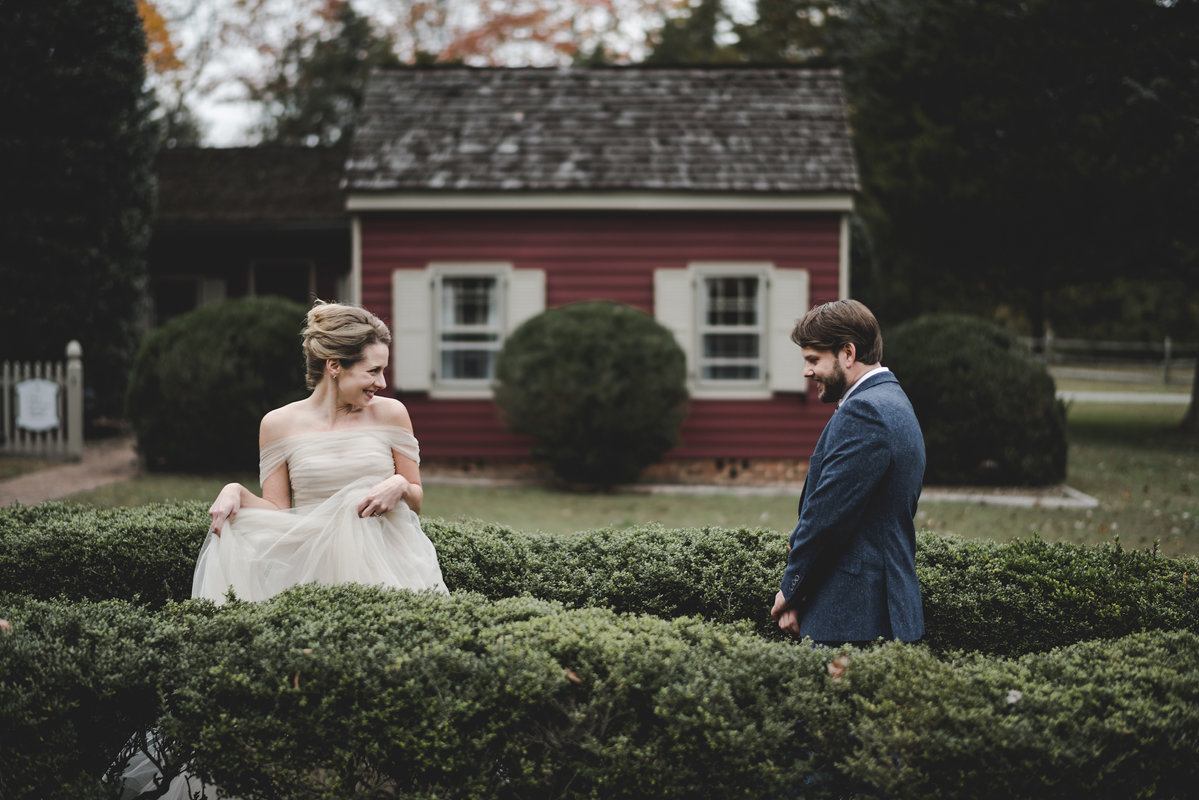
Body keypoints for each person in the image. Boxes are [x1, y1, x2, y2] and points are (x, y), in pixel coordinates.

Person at [117, 301, 445, 800]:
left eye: (383, 370)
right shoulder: (279, 425)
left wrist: (399, 484)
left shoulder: (392, 414)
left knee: (383, 681)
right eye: (372, 370)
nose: (381, 381)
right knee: (314, 689)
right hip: (312, 568)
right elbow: (278, 512)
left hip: (387, 565)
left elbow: (418, 499)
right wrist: (235, 492)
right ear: (336, 367)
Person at [770, 299, 925, 646]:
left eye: (813, 360)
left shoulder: (865, 412)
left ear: (848, 353)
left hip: (852, 619)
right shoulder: (893, 399)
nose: (807, 372)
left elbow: (827, 518)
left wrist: (790, 591)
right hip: (882, 613)